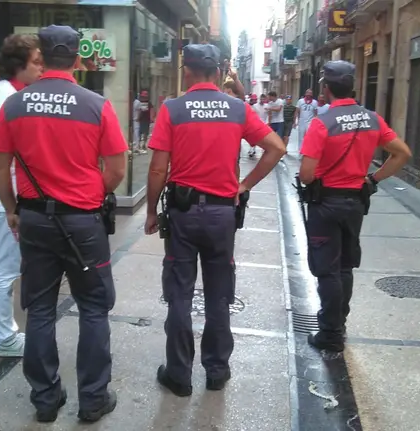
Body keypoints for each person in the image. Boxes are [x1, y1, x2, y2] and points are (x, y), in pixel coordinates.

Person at [0, 25, 127, 423]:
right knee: (94, 308)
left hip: (34, 219)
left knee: (40, 309)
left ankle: (46, 399)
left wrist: (11, 209)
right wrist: (90, 194)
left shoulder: (15, 104)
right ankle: (93, 398)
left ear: (42, 58)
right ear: (78, 59)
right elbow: (117, 168)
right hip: (83, 222)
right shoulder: (96, 105)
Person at [144, 43, 286, 397]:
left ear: (187, 72)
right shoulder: (237, 108)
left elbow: (158, 168)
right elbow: (277, 148)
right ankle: (216, 371)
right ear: (219, 72)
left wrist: (150, 210)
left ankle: (179, 375)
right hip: (222, 214)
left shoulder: (173, 109)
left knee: (179, 293)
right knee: (219, 293)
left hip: (182, 213)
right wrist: (244, 185)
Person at [298, 61, 412, 352]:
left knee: (327, 269)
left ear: (326, 88)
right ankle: (340, 322)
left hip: (326, 203)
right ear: (352, 87)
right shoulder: (372, 119)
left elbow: (307, 174)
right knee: (345, 266)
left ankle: (330, 333)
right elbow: (402, 154)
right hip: (355, 202)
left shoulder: (321, 123)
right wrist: (373, 179)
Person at [0, 35, 43, 357]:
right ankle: (6, 338)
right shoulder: (7, 97)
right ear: (19, 65)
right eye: (37, 62)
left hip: (1, 195)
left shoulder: (5, 92)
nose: (41, 68)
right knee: (6, 269)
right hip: (8, 197)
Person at [294, 89, 318, 154]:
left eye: (310, 94)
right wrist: (295, 121)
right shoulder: (300, 101)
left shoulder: (314, 102)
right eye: (307, 93)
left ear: (312, 95)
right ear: (305, 94)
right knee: (301, 136)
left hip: (310, 122)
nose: (308, 95)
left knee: (309, 136)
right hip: (301, 121)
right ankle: (300, 150)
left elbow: (316, 113)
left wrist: (315, 122)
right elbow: (296, 111)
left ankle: (308, 150)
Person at [249, 94, 268, 158]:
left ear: (265, 99)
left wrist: (268, 122)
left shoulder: (267, 106)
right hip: (256, 124)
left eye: (264, 99)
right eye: (261, 99)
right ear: (260, 99)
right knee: (254, 137)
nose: (262, 100)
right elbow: (252, 114)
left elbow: (269, 114)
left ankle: (264, 150)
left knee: (264, 138)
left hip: (264, 124)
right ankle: (252, 150)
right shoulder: (255, 106)